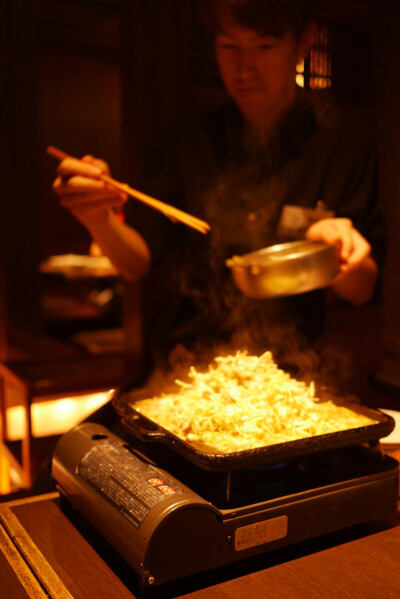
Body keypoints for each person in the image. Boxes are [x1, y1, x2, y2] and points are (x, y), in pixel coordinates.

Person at [52, 0, 384, 379]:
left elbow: (362, 288)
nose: (244, 68)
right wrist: (97, 219)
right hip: (184, 372)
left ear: (304, 41)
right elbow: (135, 262)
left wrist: (340, 253)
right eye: (229, 46)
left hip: (290, 375)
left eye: (264, 47)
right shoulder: (184, 142)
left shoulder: (347, 144)